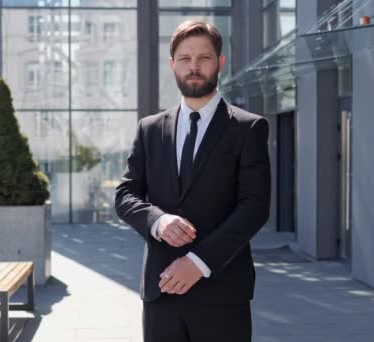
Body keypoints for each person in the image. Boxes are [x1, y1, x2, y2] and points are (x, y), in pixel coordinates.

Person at [114, 20, 270, 342]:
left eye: (204, 58)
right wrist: (157, 221)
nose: (194, 66)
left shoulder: (248, 128)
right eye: (185, 58)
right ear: (172, 65)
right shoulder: (150, 129)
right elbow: (125, 194)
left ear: (220, 63)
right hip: (162, 292)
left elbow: (255, 207)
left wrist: (198, 262)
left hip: (222, 294)